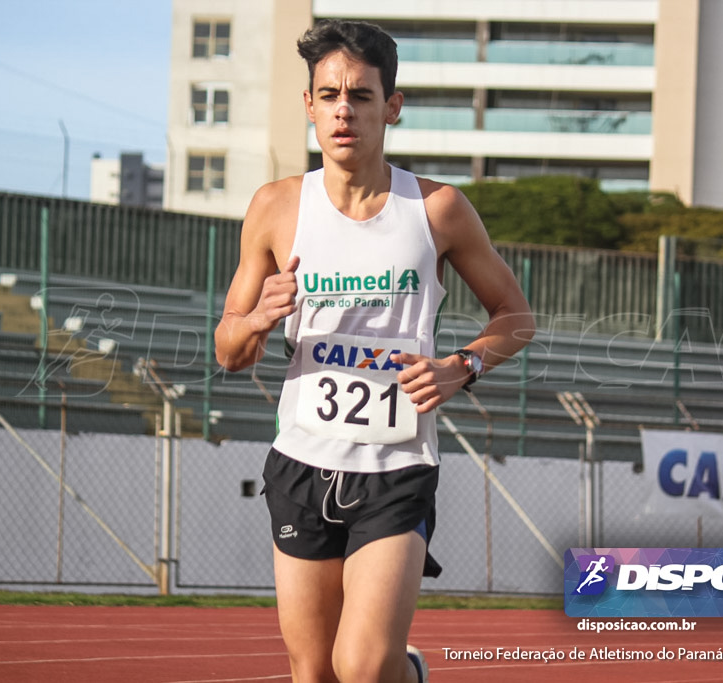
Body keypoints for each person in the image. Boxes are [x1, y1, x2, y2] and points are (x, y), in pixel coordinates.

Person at [214, 19, 535, 683]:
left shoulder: (438, 209)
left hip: (397, 467)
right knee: (315, 672)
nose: (342, 109)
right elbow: (228, 349)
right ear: (309, 105)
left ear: (391, 106)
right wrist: (258, 319)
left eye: (360, 96)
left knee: (360, 665)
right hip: (302, 462)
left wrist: (461, 365)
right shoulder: (275, 207)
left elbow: (516, 315)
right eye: (328, 94)